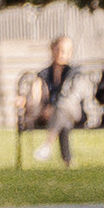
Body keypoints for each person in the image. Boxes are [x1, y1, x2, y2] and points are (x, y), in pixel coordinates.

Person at [37, 33, 84, 168]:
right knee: (63, 120)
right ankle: (67, 161)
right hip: (54, 115)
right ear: (53, 50)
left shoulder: (74, 73)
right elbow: (40, 94)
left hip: (75, 111)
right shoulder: (45, 74)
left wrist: (54, 107)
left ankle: (48, 144)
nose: (63, 54)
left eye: (67, 51)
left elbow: (74, 97)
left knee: (62, 109)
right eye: (60, 50)